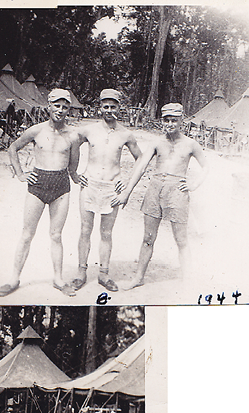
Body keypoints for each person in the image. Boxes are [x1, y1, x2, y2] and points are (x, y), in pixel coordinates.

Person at [0, 89, 80, 298]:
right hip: (38, 184)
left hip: (61, 186)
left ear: (69, 109)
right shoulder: (36, 130)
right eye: (57, 106)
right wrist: (20, 174)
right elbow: (13, 148)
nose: (60, 110)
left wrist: (79, 177)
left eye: (65, 107)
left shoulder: (73, 135)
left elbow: (73, 167)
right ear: (49, 106)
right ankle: (13, 279)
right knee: (26, 234)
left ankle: (59, 280)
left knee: (56, 235)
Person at [114, 103, 208, 287]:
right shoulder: (157, 142)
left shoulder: (190, 144)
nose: (170, 124)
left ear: (181, 121)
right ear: (162, 121)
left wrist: (194, 183)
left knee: (181, 239)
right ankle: (138, 278)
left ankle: (187, 279)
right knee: (148, 238)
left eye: (174, 120)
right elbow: (140, 167)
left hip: (178, 191)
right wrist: (126, 192)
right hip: (155, 189)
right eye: (167, 120)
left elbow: (206, 166)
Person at [69, 88, 142, 292]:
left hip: (112, 187)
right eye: (105, 106)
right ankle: (81, 273)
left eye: (113, 106)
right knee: (85, 230)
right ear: (99, 107)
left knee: (106, 233)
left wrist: (126, 183)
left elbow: (141, 159)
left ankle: (103, 274)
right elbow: (73, 143)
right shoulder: (88, 130)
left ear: (119, 107)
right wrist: (73, 172)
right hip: (89, 184)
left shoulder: (125, 134)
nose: (109, 110)